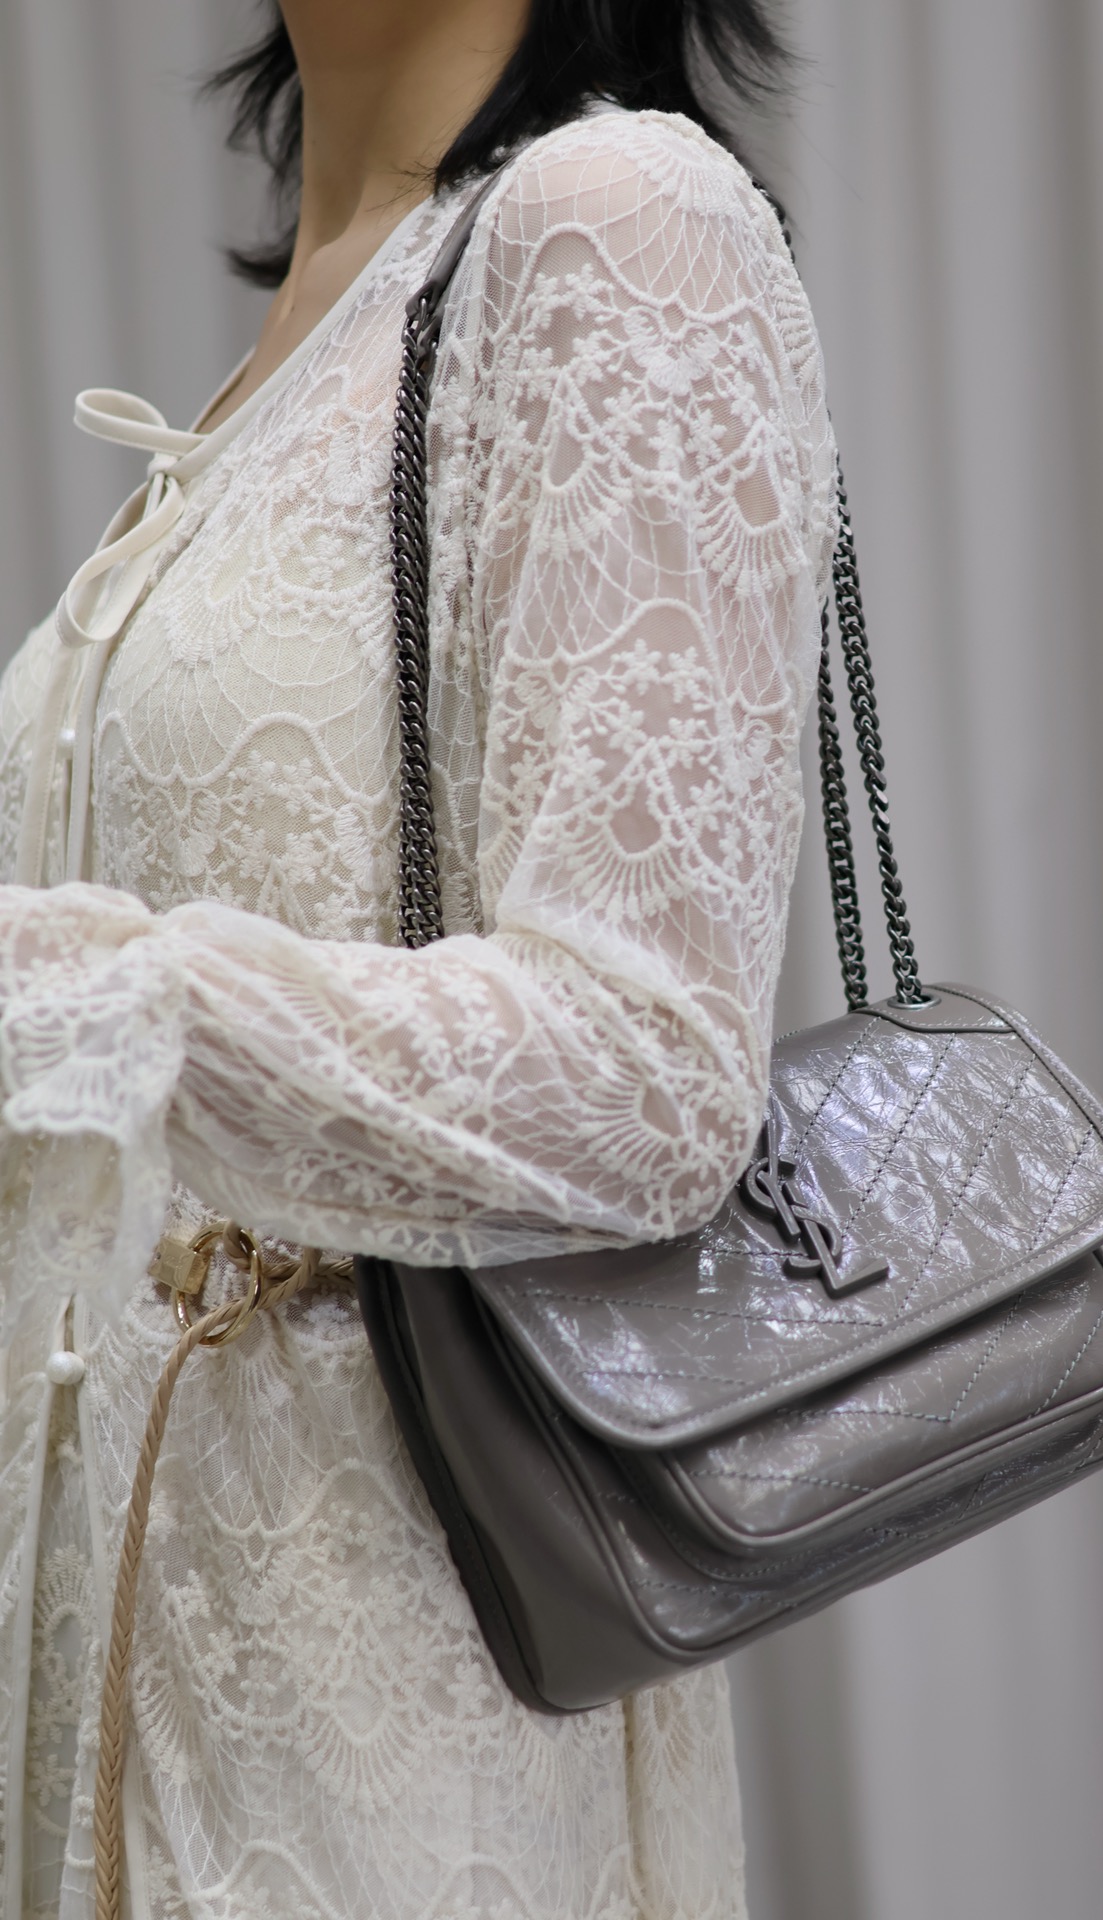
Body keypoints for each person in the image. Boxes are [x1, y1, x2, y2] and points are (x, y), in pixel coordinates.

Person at [0, 0, 835, 1913]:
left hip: (384, 1731)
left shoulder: (619, 220)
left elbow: (649, 1072)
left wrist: (96, 999)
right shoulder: (295, 352)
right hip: (109, 1678)